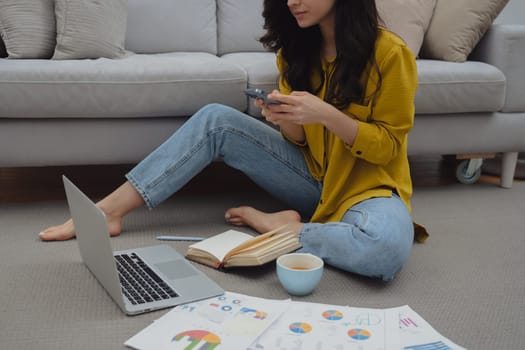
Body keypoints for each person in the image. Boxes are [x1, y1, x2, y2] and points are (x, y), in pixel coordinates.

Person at [39, 0, 420, 281]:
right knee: (216, 119)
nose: (292, 2)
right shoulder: (296, 52)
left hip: (368, 190)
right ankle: (108, 211)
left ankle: (281, 228)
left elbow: (388, 147)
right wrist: (284, 119)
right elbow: (302, 142)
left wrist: (327, 115)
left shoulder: (390, 54)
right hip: (314, 179)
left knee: (384, 248)